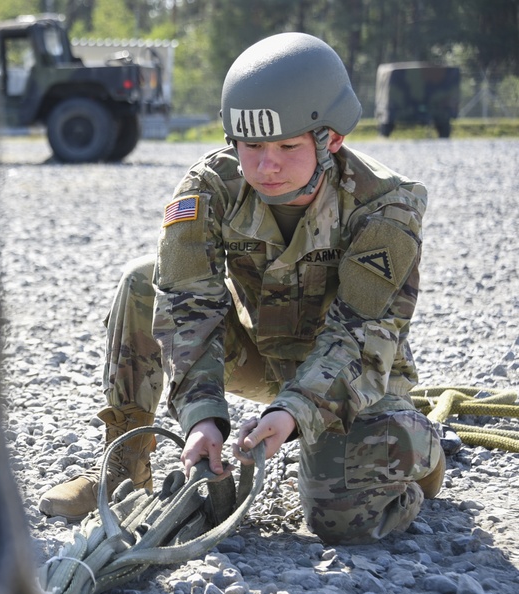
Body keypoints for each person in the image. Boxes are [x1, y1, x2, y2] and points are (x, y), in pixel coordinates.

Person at [37, 32, 445, 545]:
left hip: (357, 373)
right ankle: (122, 475)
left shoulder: (385, 206)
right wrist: (202, 418)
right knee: (143, 281)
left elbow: (359, 336)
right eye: (250, 145)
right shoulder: (211, 186)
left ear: (332, 139)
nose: (265, 165)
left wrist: (293, 412)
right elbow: (189, 306)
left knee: (340, 521)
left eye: (287, 146)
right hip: (264, 357)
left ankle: (418, 445)